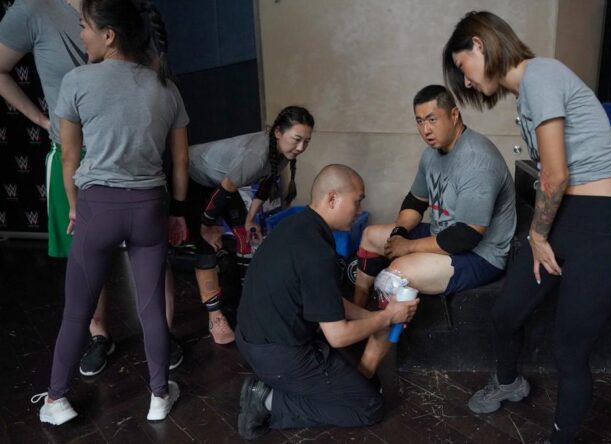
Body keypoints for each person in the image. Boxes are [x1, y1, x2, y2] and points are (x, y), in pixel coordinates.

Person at [443, 11, 611, 444]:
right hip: (560, 220)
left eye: (463, 68)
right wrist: (542, 231)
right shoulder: (528, 93)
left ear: (479, 44)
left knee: (569, 352)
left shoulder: (541, 76)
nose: (467, 82)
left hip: (599, 228)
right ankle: (508, 382)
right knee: (507, 312)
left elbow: (554, 175)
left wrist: (537, 233)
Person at [0, 0, 183, 378]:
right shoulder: (32, 9)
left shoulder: (123, 7)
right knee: (85, 256)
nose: (84, 35)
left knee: (152, 250)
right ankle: (99, 335)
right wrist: (40, 118)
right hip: (76, 154)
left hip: (133, 153)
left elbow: (155, 66)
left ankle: (161, 335)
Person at [235, 164, 419, 439]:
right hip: (279, 355)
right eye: (357, 202)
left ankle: (274, 388)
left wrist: (371, 318)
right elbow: (338, 335)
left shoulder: (298, 227)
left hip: (252, 339)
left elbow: (328, 300)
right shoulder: (318, 252)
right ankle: (267, 400)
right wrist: (388, 317)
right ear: (332, 198)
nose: (359, 212)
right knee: (369, 406)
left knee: (361, 381)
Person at [352, 84, 515, 315]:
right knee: (370, 236)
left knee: (396, 273)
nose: (425, 129)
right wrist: (399, 234)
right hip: (444, 235)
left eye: (432, 119)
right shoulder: (431, 154)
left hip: (480, 254)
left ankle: (374, 348)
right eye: (419, 121)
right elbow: (415, 202)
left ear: (454, 115)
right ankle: (357, 315)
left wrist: (408, 247)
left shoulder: (477, 160)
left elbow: (466, 236)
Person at [184, 105, 314, 344]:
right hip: (190, 175)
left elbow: (265, 183)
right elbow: (223, 192)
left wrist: (250, 218)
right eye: (297, 139)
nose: (301, 148)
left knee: (244, 235)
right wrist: (206, 226)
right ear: (278, 132)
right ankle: (215, 316)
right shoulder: (257, 155)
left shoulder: (283, 154)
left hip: (220, 183)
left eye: (306, 141)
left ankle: (245, 301)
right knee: (206, 247)